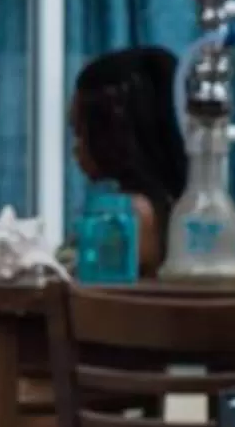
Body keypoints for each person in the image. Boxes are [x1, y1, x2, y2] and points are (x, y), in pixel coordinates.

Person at [69, 45, 188, 276]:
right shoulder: (176, 205)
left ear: (111, 134)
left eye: (81, 134)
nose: (75, 149)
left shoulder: (130, 215)